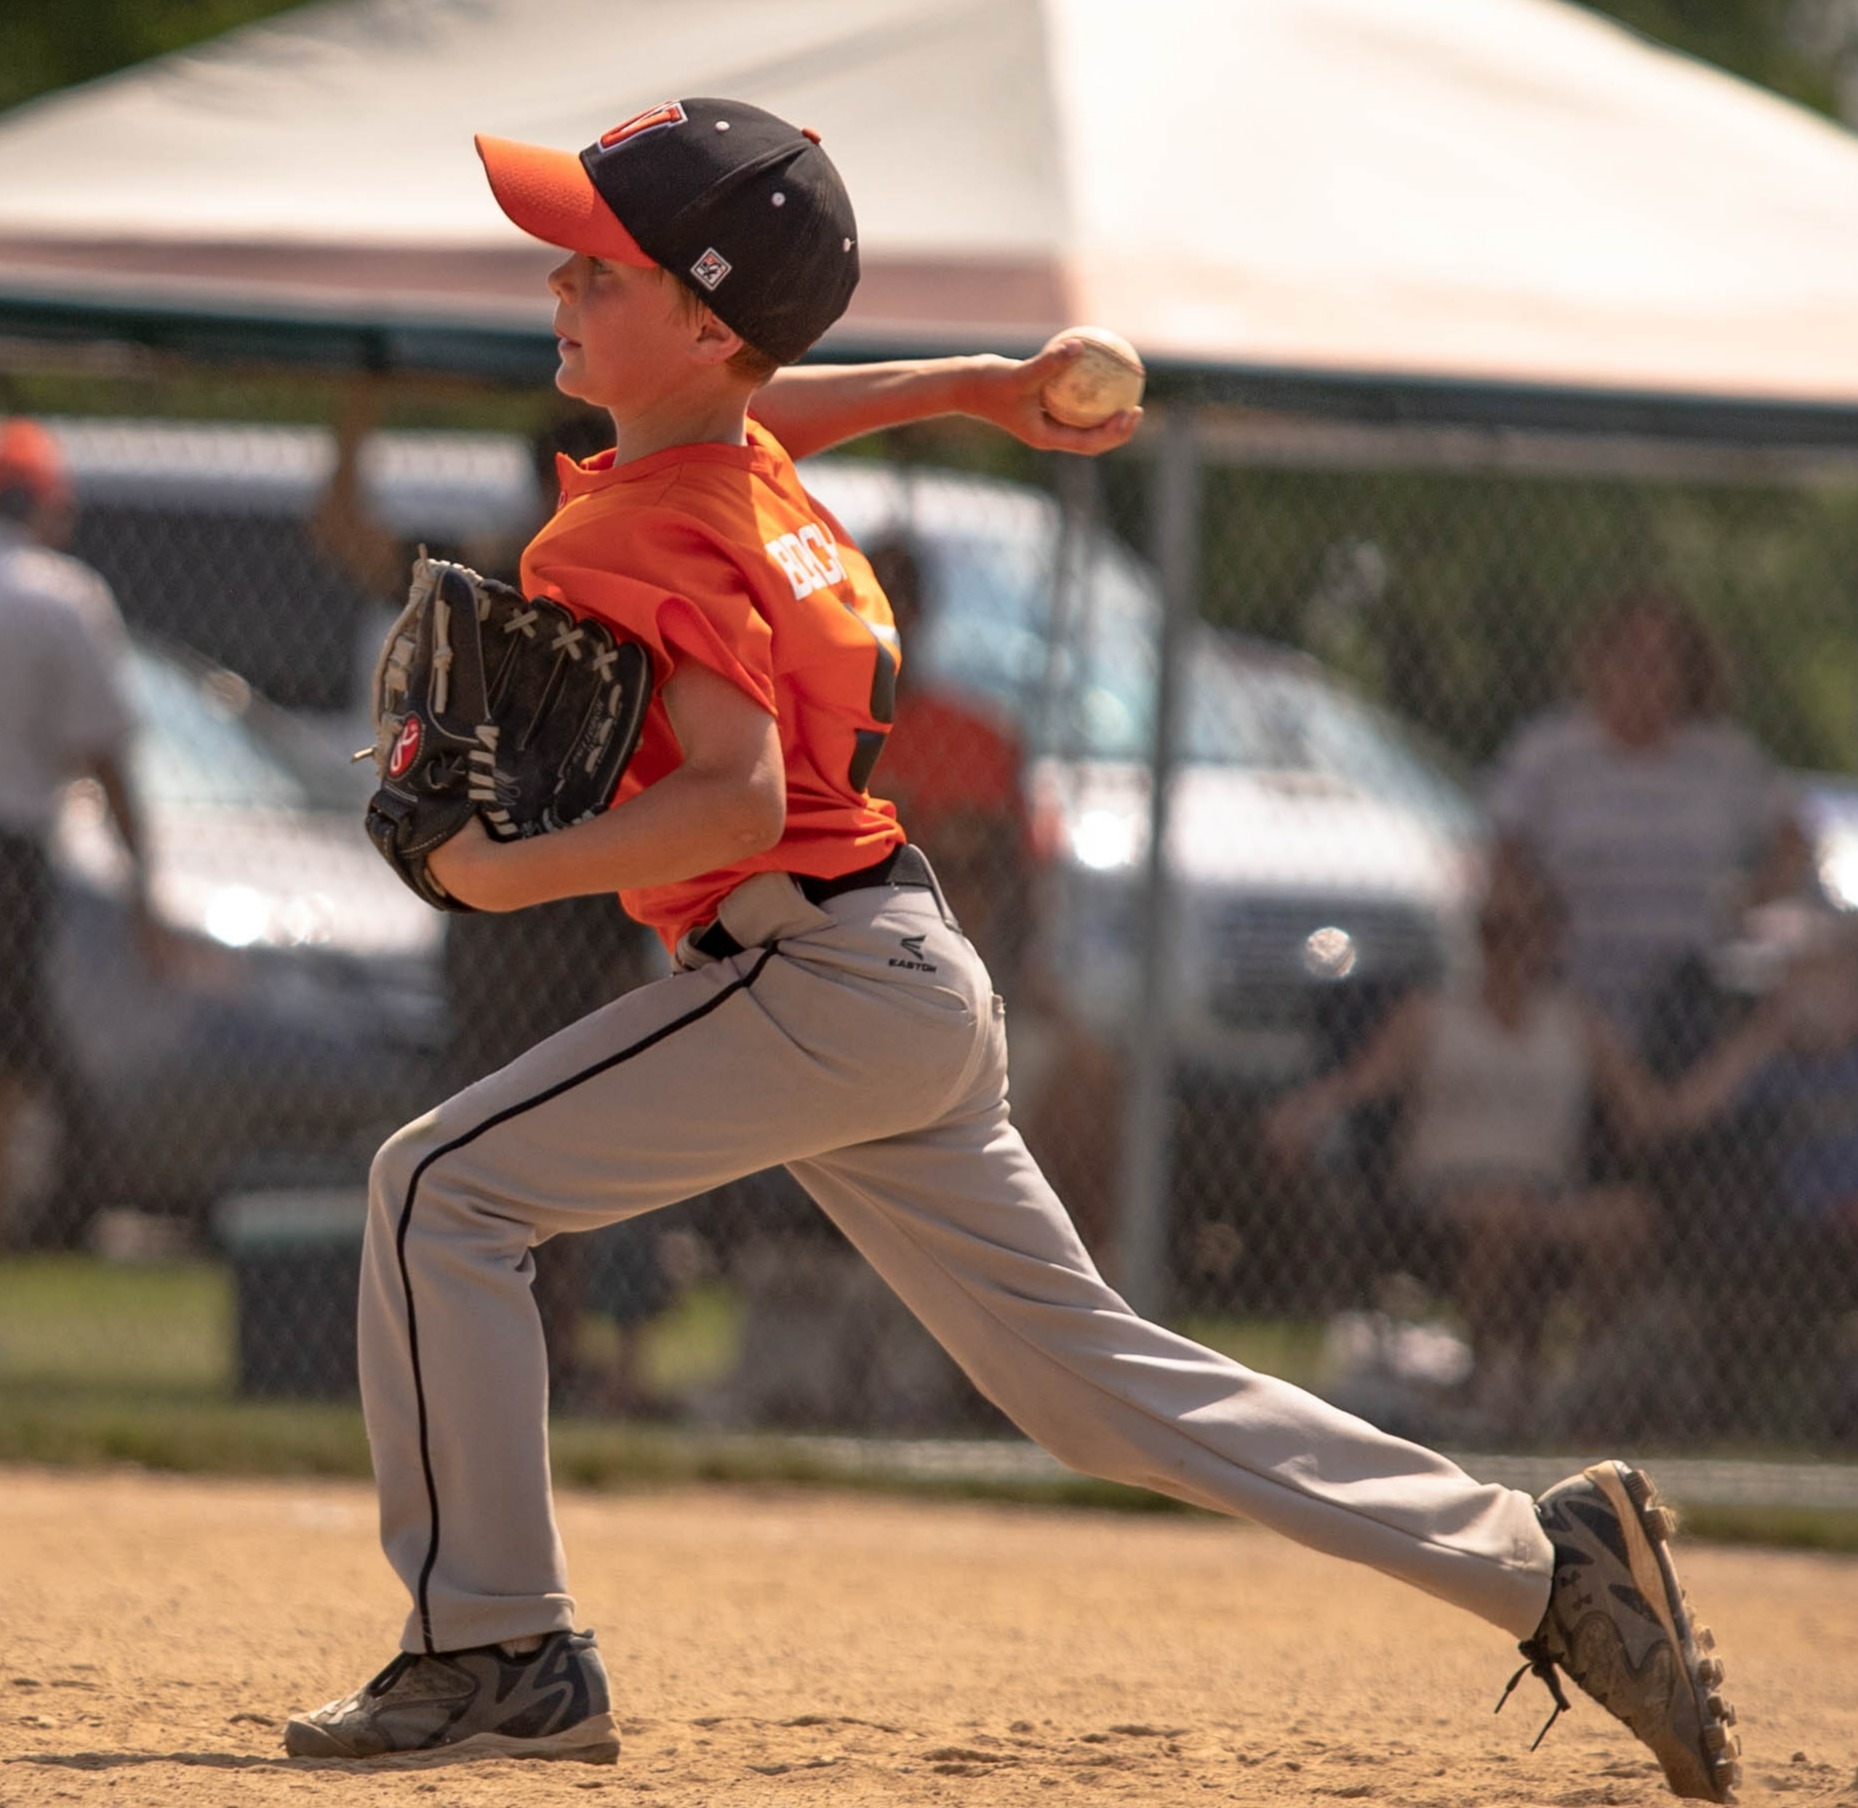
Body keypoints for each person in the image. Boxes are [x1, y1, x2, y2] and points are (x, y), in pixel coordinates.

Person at [282, 99, 1738, 1803]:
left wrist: (491, 876)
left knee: (437, 1190)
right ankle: (1540, 1560)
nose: (558, 284)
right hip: (889, 974)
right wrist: (971, 383)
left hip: (807, 978)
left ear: (703, 320)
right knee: (1089, 1391)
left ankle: (494, 1646)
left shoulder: (638, 522)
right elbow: (764, 405)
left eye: (598, 265)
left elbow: (730, 799)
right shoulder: (731, 470)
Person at [1266, 853, 1742, 1437]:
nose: (1507, 947)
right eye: (1492, 930)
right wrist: (1303, 1113)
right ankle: (1482, 1383)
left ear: (1551, 937)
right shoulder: (1430, 1013)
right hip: (1442, 1195)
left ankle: (1569, 1383)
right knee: (1503, 1214)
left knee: (1625, 1218)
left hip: (1547, 1195)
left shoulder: (1578, 1021)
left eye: (1524, 929)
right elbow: (1362, 1083)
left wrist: (1756, 1043)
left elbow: (1651, 1114)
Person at [1488, 587, 1808, 1055]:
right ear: (1599, 661)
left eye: (1663, 659)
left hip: (1687, 989)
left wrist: (1748, 903)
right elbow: (1503, 851)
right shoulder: (1550, 750)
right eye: (1629, 654)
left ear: (1689, 673)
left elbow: (1795, 840)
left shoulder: (1725, 758)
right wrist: (1529, 932)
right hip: (1570, 981)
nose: (1643, 672)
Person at [0, 419, 155, 1244]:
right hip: (11, 848)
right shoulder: (61, 595)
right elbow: (106, 756)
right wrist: (144, 881)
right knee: (13, 1045)